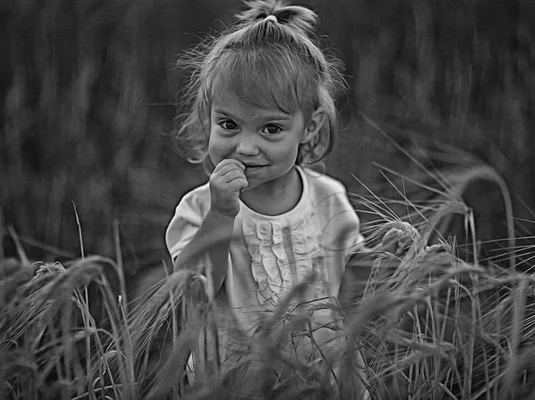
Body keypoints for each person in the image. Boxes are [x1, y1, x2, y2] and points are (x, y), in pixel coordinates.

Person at [165, 0, 398, 396]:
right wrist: (222, 213)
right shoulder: (200, 207)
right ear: (208, 117)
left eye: (270, 128)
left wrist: (386, 262)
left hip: (322, 379)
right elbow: (189, 289)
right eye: (228, 124)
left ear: (310, 127)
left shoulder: (328, 199)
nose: (245, 146)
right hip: (232, 384)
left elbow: (349, 286)